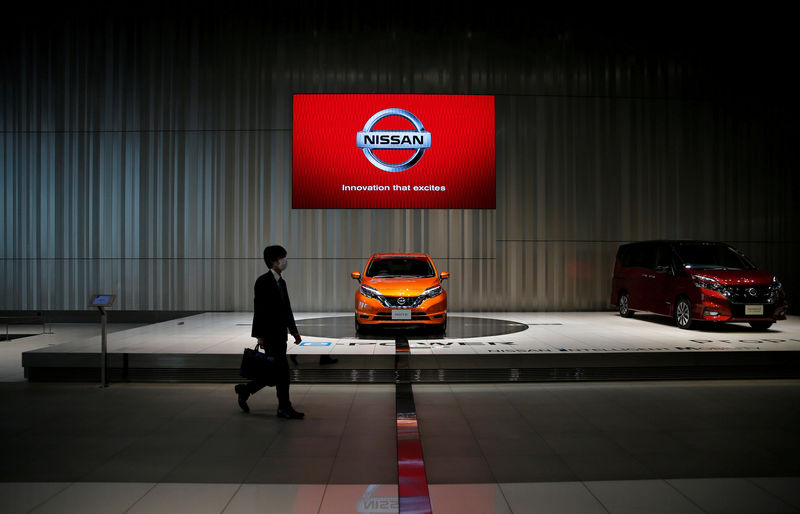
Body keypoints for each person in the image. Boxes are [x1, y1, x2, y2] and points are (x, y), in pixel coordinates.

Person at [235, 245, 304, 419]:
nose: (285, 261)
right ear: (273, 260)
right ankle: (284, 407)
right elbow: (260, 310)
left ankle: (246, 390)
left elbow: (286, 309)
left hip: (281, 334)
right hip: (270, 335)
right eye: (282, 257)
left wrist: (294, 331)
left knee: (274, 373)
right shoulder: (263, 281)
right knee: (282, 372)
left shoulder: (282, 282)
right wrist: (260, 336)